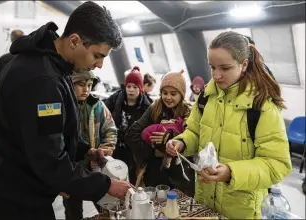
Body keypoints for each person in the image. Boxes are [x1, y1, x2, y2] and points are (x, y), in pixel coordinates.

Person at [0, 2, 131, 220]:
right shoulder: (42, 81)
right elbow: (49, 160)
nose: (99, 65)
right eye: (97, 55)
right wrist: (105, 185)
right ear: (74, 41)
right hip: (15, 200)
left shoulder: (51, 65)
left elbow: (51, 134)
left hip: (19, 188)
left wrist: (83, 151)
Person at [166, 31, 292, 219]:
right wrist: (183, 142)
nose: (216, 75)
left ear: (244, 65)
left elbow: (277, 164)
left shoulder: (262, 107)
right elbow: (194, 131)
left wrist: (232, 173)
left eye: (225, 68)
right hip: (205, 201)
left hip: (241, 210)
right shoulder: (206, 98)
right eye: (212, 67)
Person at [125, 70, 195, 197]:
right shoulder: (155, 108)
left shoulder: (189, 111)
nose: (168, 97)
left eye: (173, 93)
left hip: (182, 176)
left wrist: (171, 138)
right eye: (164, 93)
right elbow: (131, 134)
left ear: (182, 94)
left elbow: (192, 137)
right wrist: (153, 149)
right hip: (156, 174)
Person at [63, 70, 117, 220]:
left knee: (104, 204)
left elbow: (110, 129)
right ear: (70, 84)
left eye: (89, 85)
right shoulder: (64, 106)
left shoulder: (98, 106)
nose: (86, 89)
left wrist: (106, 148)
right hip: (72, 167)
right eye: (80, 84)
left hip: (95, 164)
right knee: (73, 210)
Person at [104, 66, 151, 185]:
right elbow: (103, 110)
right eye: (128, 86)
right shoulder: (116, 98)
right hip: (117, 143)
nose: (131, 90)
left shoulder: (146, 105)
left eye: (135, 87)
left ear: (140, 88)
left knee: (135, 176)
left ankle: (134, 198)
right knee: (116, 174)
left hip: (134, 146)